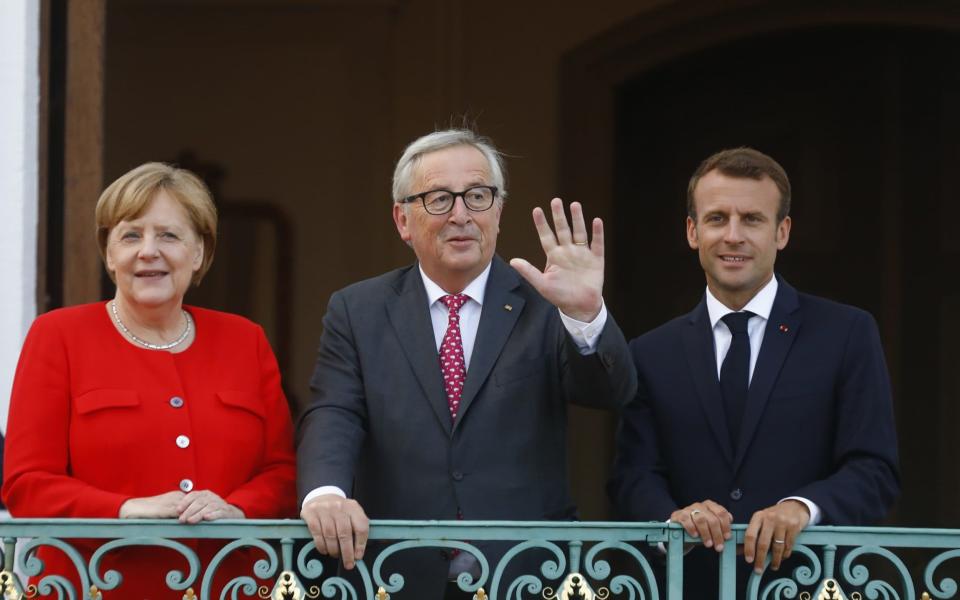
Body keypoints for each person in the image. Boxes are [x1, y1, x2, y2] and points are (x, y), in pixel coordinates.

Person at [296, 128, 636, 599]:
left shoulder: (545, 303)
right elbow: (335, 411)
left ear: (498, 209)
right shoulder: (358, 310)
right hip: (395, 576)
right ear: (402, 219)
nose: (461, 215)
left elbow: (610, 393)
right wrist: (326, 493)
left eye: (477, 196)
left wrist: (584, 314)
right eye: (439, 199)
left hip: (525, 575)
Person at [608, 147, 900, 598]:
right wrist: (672, 517)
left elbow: (874, 468)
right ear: (692, 230)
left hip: (810, 586)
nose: (733, 235)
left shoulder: (847, 332)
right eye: (717, 218)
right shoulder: (649, 351)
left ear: (782, 232)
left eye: (752, 219)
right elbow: (633, 477)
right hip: (691, 588)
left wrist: (804, 508)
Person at [2, 162, 297, 598]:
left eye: (169, 235)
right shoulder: (58, 336)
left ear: (199, 252)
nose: (148, 251)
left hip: (228, 587)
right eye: (131, 235)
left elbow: (283, 474)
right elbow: (26, 483)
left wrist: (236, 508)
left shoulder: (244, 340)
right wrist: (123, 509)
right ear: (109, 253)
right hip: (94, 587)